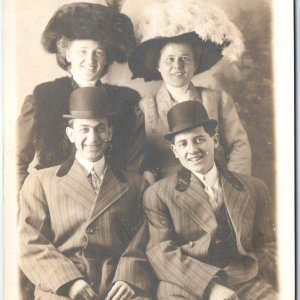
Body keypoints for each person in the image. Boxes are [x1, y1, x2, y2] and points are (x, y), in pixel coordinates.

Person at [18, 87, 154, 300]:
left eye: (100, 128)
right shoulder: (41, 181)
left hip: (117, 287)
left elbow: (144, 238)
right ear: (70, 134)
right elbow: (29, 241)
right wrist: (69, 282)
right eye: (84, 129)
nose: (93, 137)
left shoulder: (136, 185)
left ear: (110, 133)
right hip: (62, 287)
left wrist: (129, 277)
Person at [143, 101, 277, 299]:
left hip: (244, 278)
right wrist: (211, 287)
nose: (192, 150)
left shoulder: (254, 187)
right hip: (186, 285)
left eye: (199, 140)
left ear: (214, 140)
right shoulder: (158, 194)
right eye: (183, 144)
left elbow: (270, 243)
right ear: (174, 151)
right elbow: (161, 253)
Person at [17, 2, 144, 190]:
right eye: (82, 52)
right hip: (55, 203)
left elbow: (135, 166)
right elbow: (15, 162)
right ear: (67, 54)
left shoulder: (125, 101)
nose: (90, 61)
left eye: (98, 52)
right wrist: (29, 199)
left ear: (106, 57)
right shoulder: (42, 97)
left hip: (111, 201)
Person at [128, 0, 251, 182]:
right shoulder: (146, 107)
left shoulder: (217, 100)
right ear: (158, 66)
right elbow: (140, 159)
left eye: (184, 59)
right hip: (167, 197)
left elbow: (239, 146)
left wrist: (232, 187)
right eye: (169, 59)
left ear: (195, 65)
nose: (177, 66)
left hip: (216, 190)